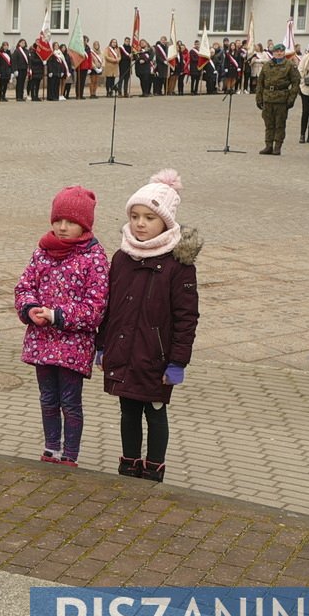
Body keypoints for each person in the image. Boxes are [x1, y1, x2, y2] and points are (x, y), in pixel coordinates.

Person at [96, 170, 201, 483]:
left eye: (149, 217)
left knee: (154, 412)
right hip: (124, 351)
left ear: (166, 222)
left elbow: (186, 317)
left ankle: (154, 466)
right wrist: (102, 345)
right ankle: (129, 461)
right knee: (128, 409)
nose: (140, 223)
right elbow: (108, 307)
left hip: (155, 358)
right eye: (135, 216)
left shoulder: (178, 266)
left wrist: (178, 361)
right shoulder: (122, 257)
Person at [14, 186, 108, 467]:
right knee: (47, 398)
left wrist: (57, 315)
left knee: (70, 401)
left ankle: (71, 453)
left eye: (70, 222)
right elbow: (24, 286)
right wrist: (30, 309)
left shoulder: (95, 258)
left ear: (84, 225)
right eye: (58, 221)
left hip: (73, 346)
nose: (63, 227)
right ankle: (51, 447)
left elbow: (95, 308)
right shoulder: (42, 251)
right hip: (42, 341)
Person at [256, 43, 300, 155]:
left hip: (281, 98)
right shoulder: (267, 65)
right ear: (273, 53)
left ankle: (278, 146)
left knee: (280, 124)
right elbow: (260, 82)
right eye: (276, 52)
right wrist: (259, 98)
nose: (279, 53)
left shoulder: (290, 65)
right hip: (268, 98)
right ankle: (268, 145)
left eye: (281, 51)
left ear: (284, 52)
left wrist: (291, 98)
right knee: (268, 123)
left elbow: (296, 83)